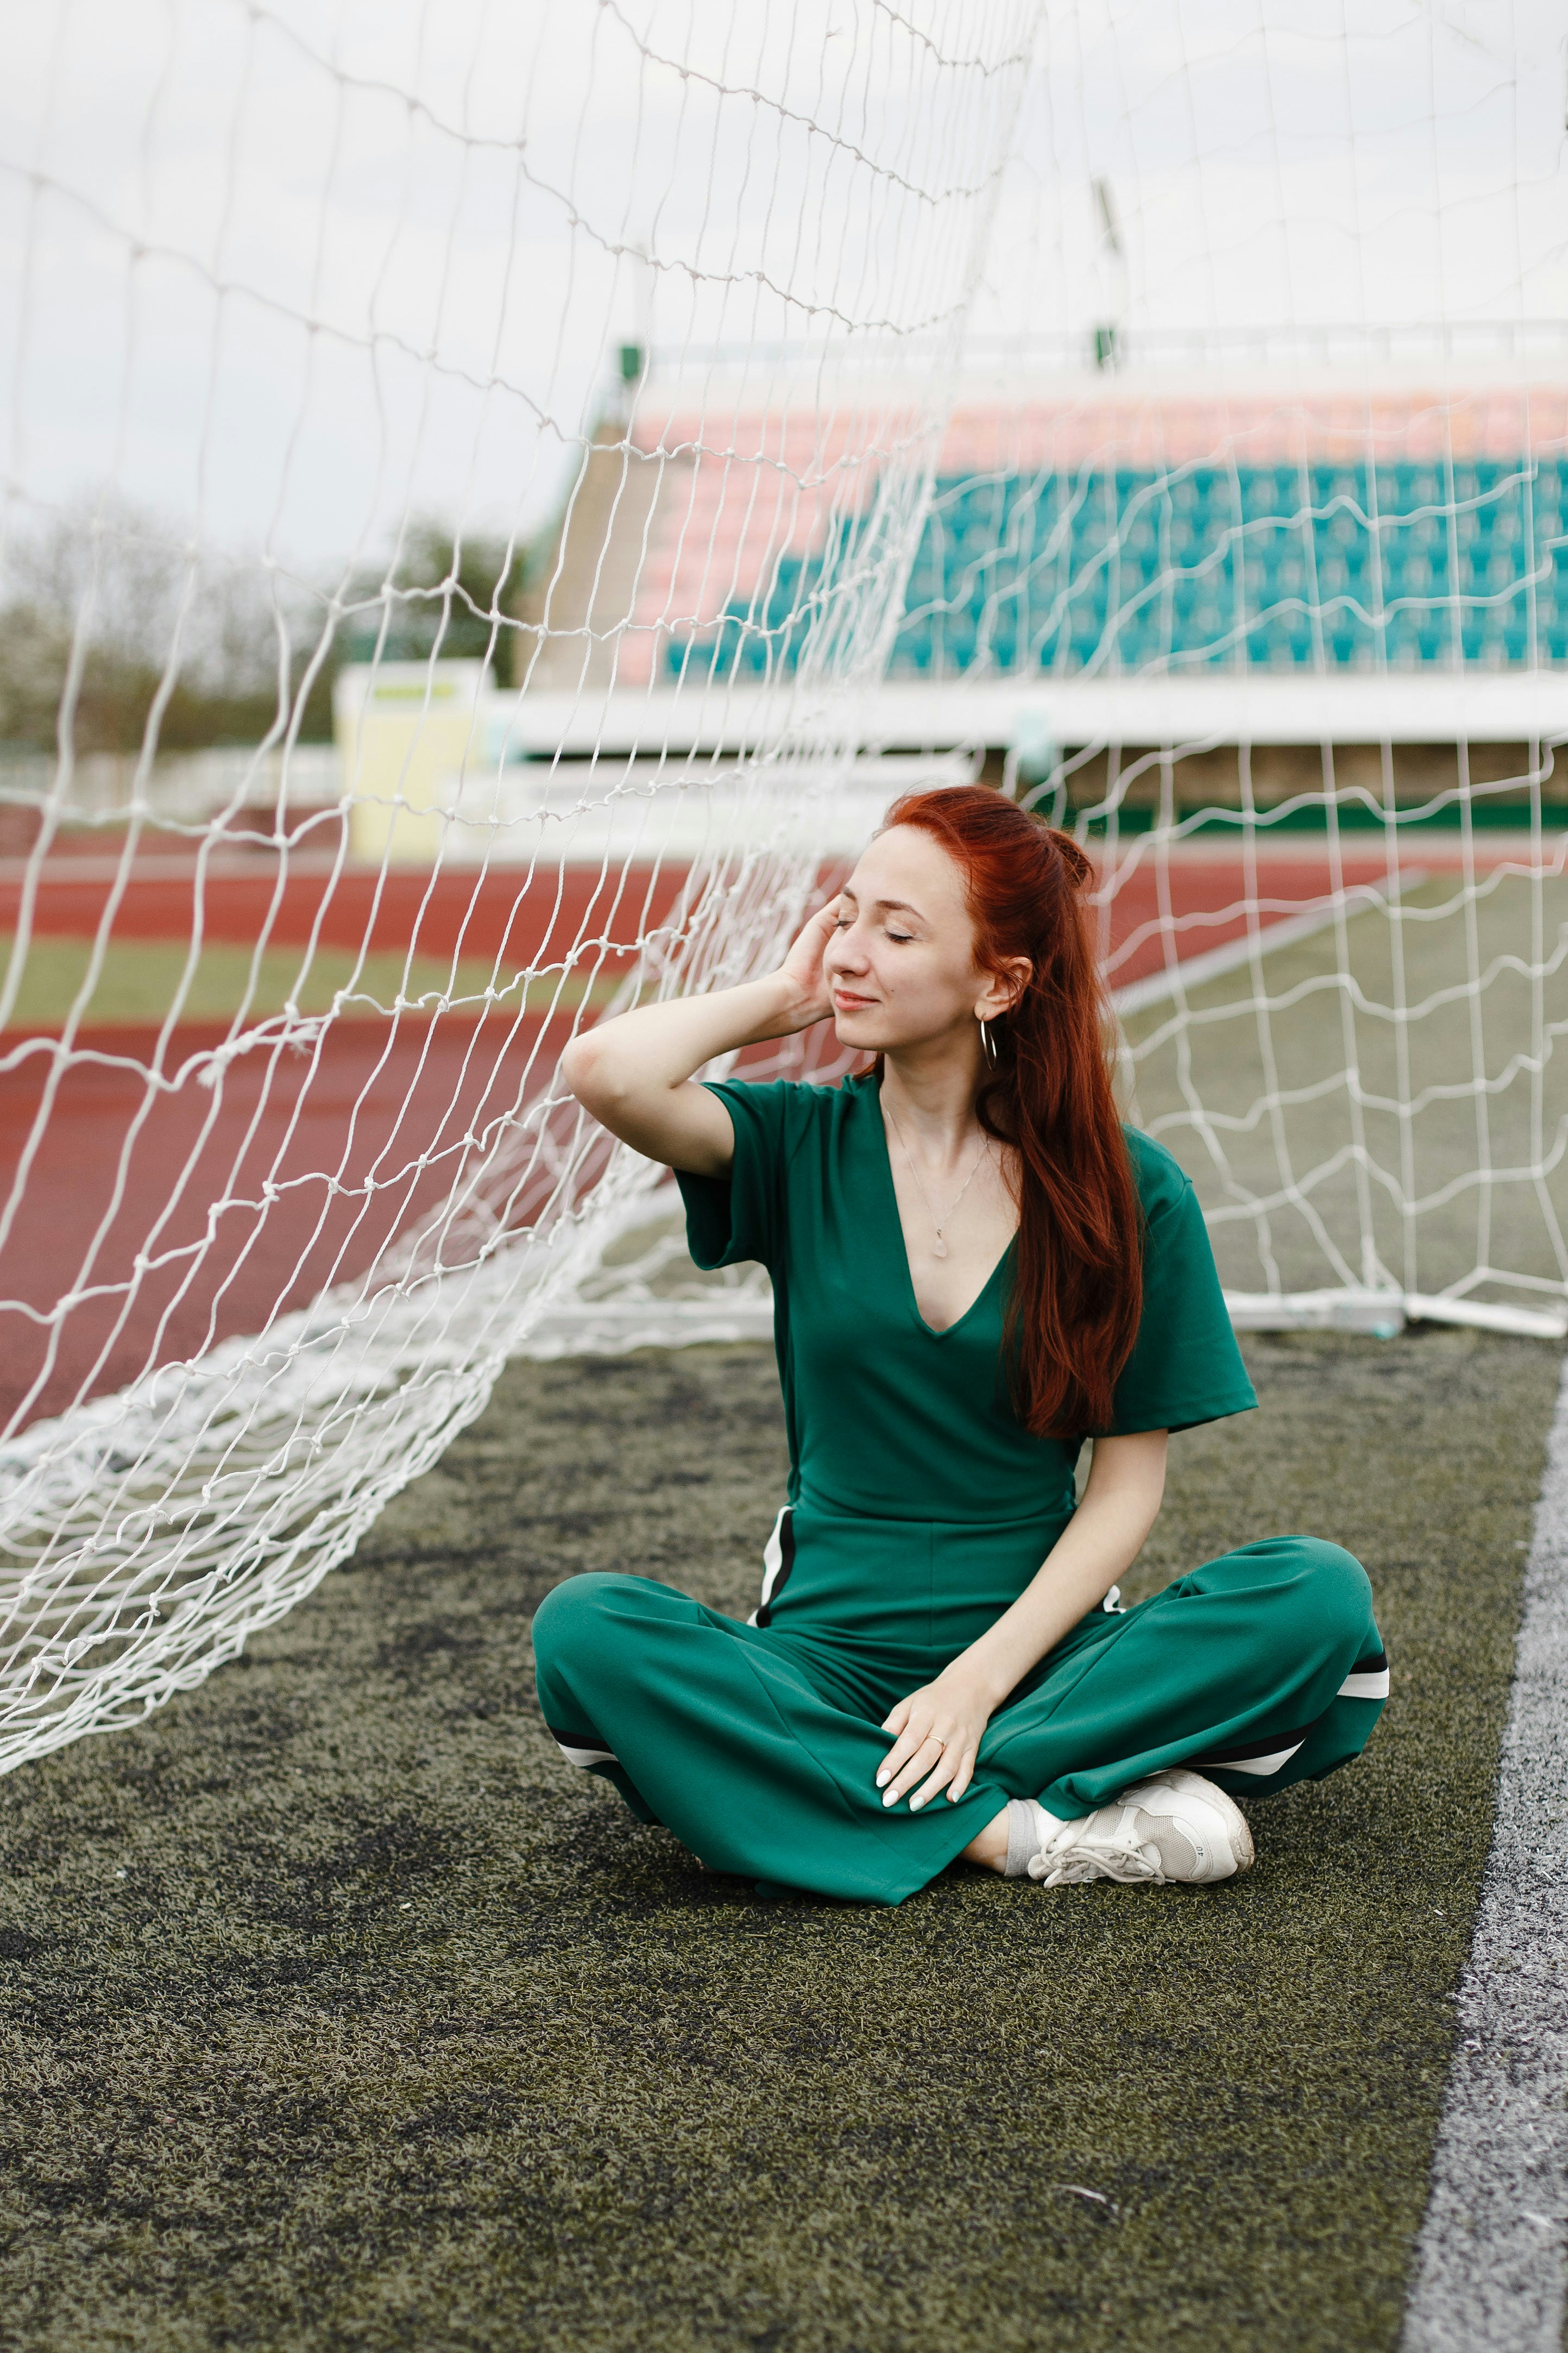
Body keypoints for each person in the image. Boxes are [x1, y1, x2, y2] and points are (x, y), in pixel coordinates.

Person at [532, 786, 1388, 1904]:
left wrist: (976, 1686)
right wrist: (782, 998)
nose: (852, 953)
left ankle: (824, 1793)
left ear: (999, 982)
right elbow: (605, 1072)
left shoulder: (1129, 1193)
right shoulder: (793, 1144)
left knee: (1318, 1599)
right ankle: (1016, 1831)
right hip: (820, 1665)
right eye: (846, 915)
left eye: (897, 932)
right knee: (587, 1634)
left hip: (1047, 1661)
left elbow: (1126, 1491)